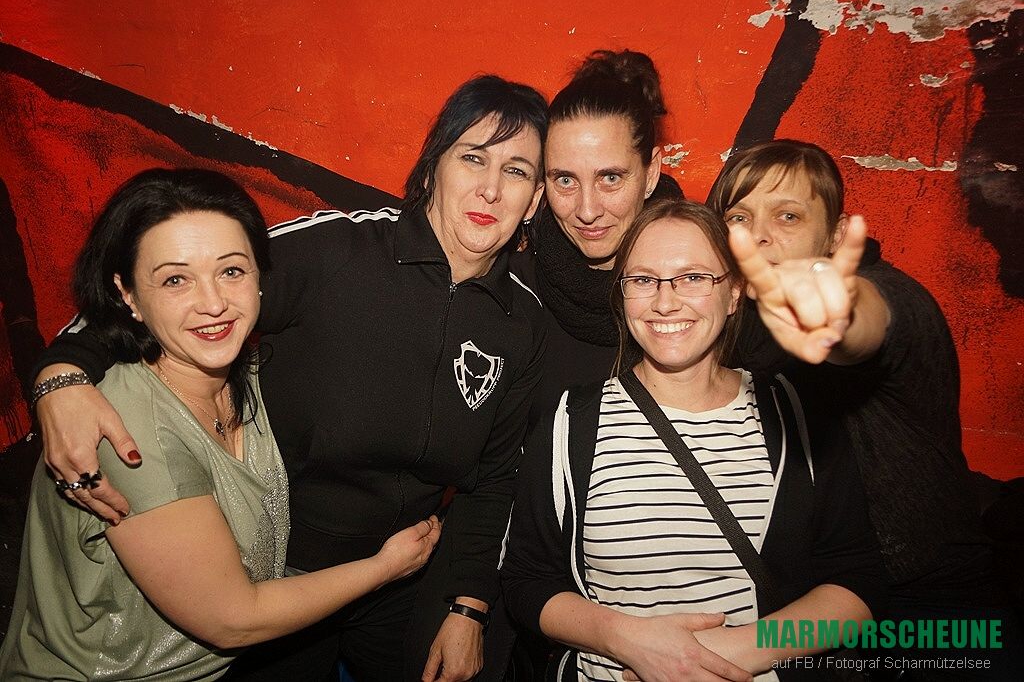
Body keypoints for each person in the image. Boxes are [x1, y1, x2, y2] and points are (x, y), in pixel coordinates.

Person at [29, 75, 549, 682]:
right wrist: (60, 377)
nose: (490, 188)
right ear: (433, 166)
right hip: (273, 570)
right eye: (473, 158)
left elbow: (495, 479)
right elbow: (176, 300)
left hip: (409, 570)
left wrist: (469, 606)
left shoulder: (522, 323)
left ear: (534, 200)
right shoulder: (335, 250)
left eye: (516, 171)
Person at [0, 168, 441, 681]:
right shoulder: (130, 431)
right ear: (128, 295)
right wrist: (386, 568)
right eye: (175, 279)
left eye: (231, 271)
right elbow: (233, 620)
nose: (213, 303)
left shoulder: (251, 373)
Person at [502, 199, 885, 681]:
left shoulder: (792, 412)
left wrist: (733, 652)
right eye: (643, 280)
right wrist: (624, 638)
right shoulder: (571, 421)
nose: (665, 302)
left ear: (734, 292)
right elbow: (526, 580)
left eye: (694, 277)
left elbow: (856, 581)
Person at [708, 139, 1021, 678]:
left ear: (834, 235)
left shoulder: (890, 296)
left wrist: (838, 314)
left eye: (787, 216)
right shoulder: (732, 326)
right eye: (739, 217)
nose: (758, 235)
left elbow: (866, 324)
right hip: (819, 614)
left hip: (934, 614)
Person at [510, 49, 684, 421]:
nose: (587, 211)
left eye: (610, 178)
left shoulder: (702, 290)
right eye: (565, 180)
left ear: (651, 173)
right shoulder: (514, 291)